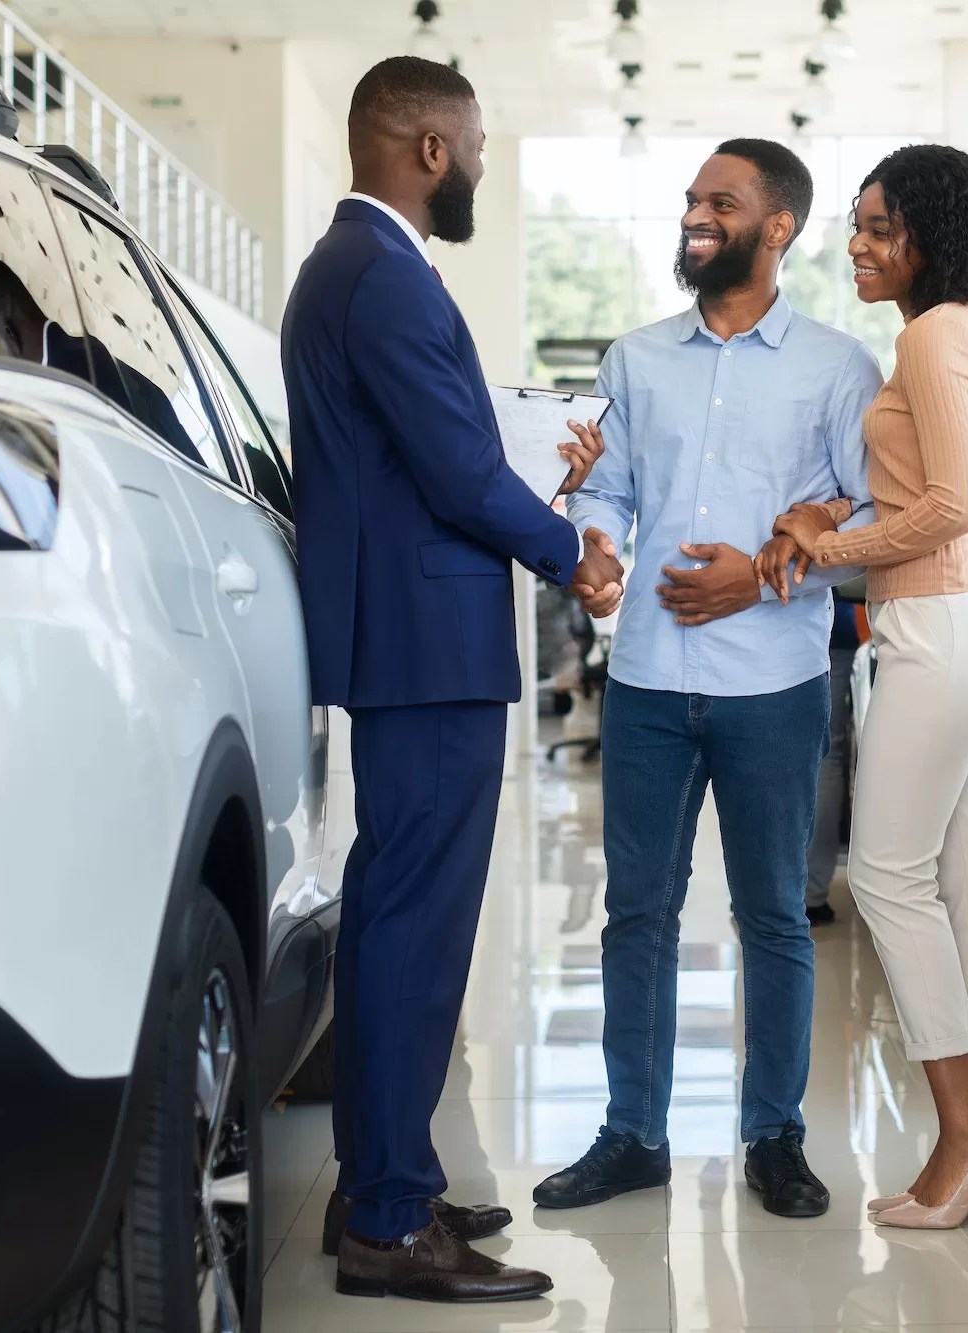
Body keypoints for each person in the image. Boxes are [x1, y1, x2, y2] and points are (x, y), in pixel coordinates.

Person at [281, 56, 621, 1303]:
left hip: (409, 640)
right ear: (427, 146)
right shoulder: (381, 279)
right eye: (472, 143)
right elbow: (456, 473)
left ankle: (391, 1182)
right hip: (424, 647)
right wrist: (567, 546)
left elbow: (442, 451)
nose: (478, 162)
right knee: (414, 929)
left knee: (390, 919)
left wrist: (534, 468)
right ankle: (384, 1218)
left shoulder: (358, 271)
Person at [531, 139, 880, 1219]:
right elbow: (610, 490)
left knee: (772, 912)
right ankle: (631, 1133)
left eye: (718, 203)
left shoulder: (837, 367)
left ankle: (774, 1135)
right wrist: (592, 545)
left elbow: (871, 522)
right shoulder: (637, 359)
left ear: (777, 227)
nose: (694, 216)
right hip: (641, 677)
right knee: (636, 912)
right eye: (689, 200)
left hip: (770, 680)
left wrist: (760, 580)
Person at [759, 144, 968, 1229]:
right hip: (951, 619)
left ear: (930, 233)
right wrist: (833, 521)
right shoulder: (952, 330)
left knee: (882, 877)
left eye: (880, 227)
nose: (858, 246)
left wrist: (819, 551)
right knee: (960, 877)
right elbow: (935, 495)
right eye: (856, 227)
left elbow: (956, 504)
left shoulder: (927, 333)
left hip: (940, 622)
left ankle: (967, 1133)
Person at [805, 598, 861, 926]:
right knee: (825, 754)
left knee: (753, 754)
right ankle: (812, 893)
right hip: (829, 624)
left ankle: (758, 886)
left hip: (754, 622)